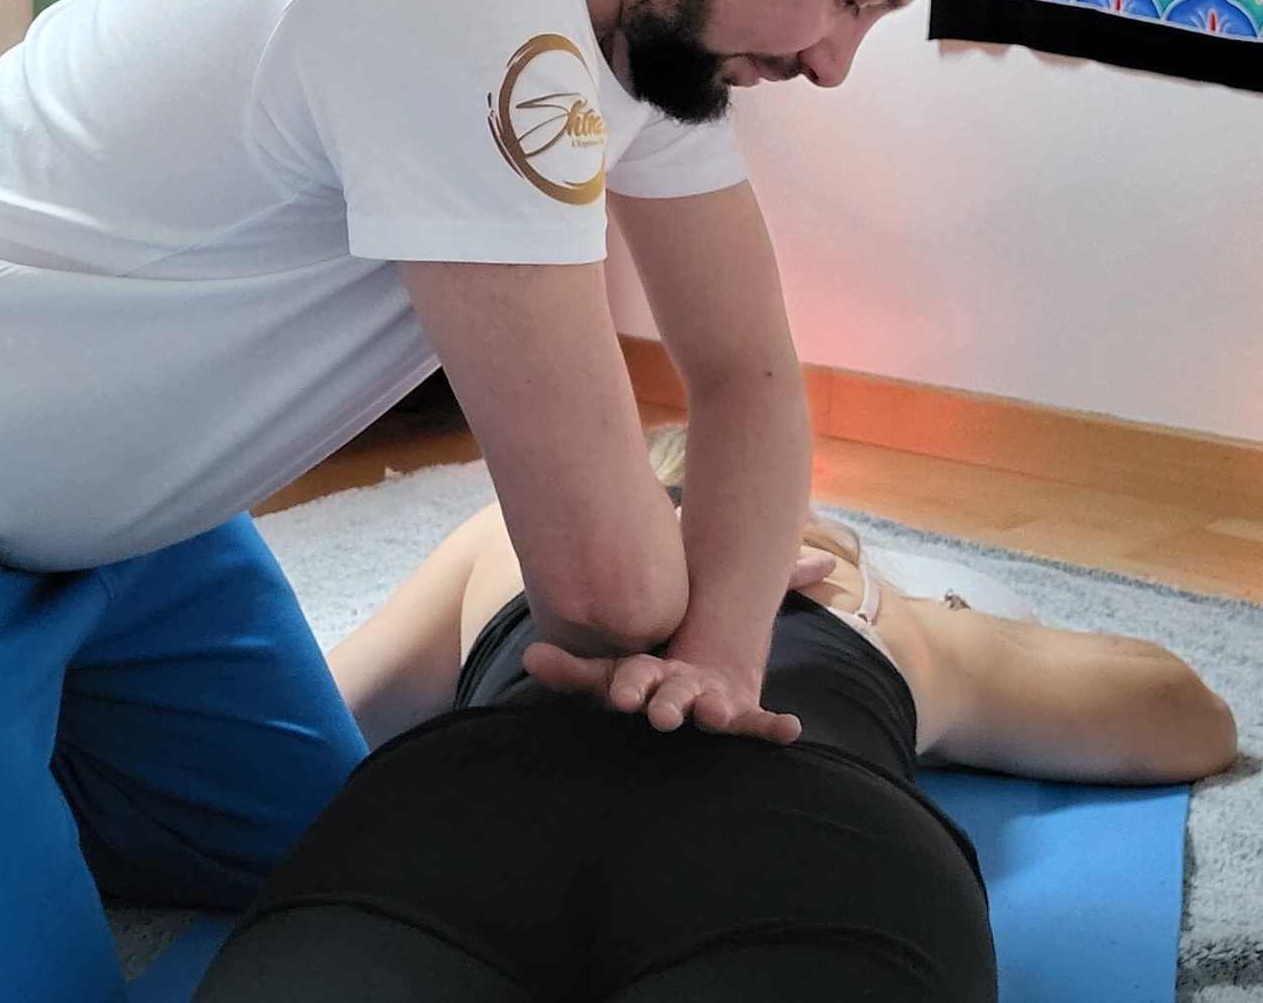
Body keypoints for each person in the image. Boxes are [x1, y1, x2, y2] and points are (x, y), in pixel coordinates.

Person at [0, 0, 995, 1000]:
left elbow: (747, 370)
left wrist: (724, 655)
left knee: (345, 869)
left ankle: (27, 739)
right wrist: (682, 607)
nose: (838, 60)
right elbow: (604, 590)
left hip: (134, 537)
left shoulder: (633, 13)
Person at [194, 426, 1237, 1001]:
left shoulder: (509, 534)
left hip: (464, 815)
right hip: (799, 829)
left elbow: (301, 727)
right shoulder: (860, 604)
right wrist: (935, 616)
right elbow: (1182, 716)